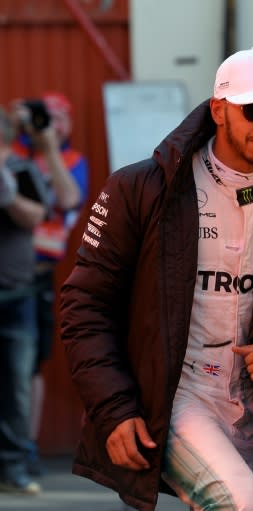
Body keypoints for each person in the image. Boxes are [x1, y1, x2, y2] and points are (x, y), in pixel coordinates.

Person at [59, 46, 253, 511]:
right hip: (178, 398)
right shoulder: (141, 189)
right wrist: (114, 408)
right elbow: (84, 306)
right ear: (219, 110)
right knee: (241, 502)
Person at [11, 92, 88, 476]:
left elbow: (69, 197)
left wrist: (48, 148)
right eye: (47, 118)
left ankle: (25, 447)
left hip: (37, 275)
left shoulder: (72, 162)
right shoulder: (14, 153)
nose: (52, 126)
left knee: (31, 367)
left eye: (60, 119)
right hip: (8, 269)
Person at [0, 106, 49, 495]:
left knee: (16, 387)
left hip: (16, 296)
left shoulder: (21, 170)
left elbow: (37, 216)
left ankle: (13, 468)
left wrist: (9, 196)